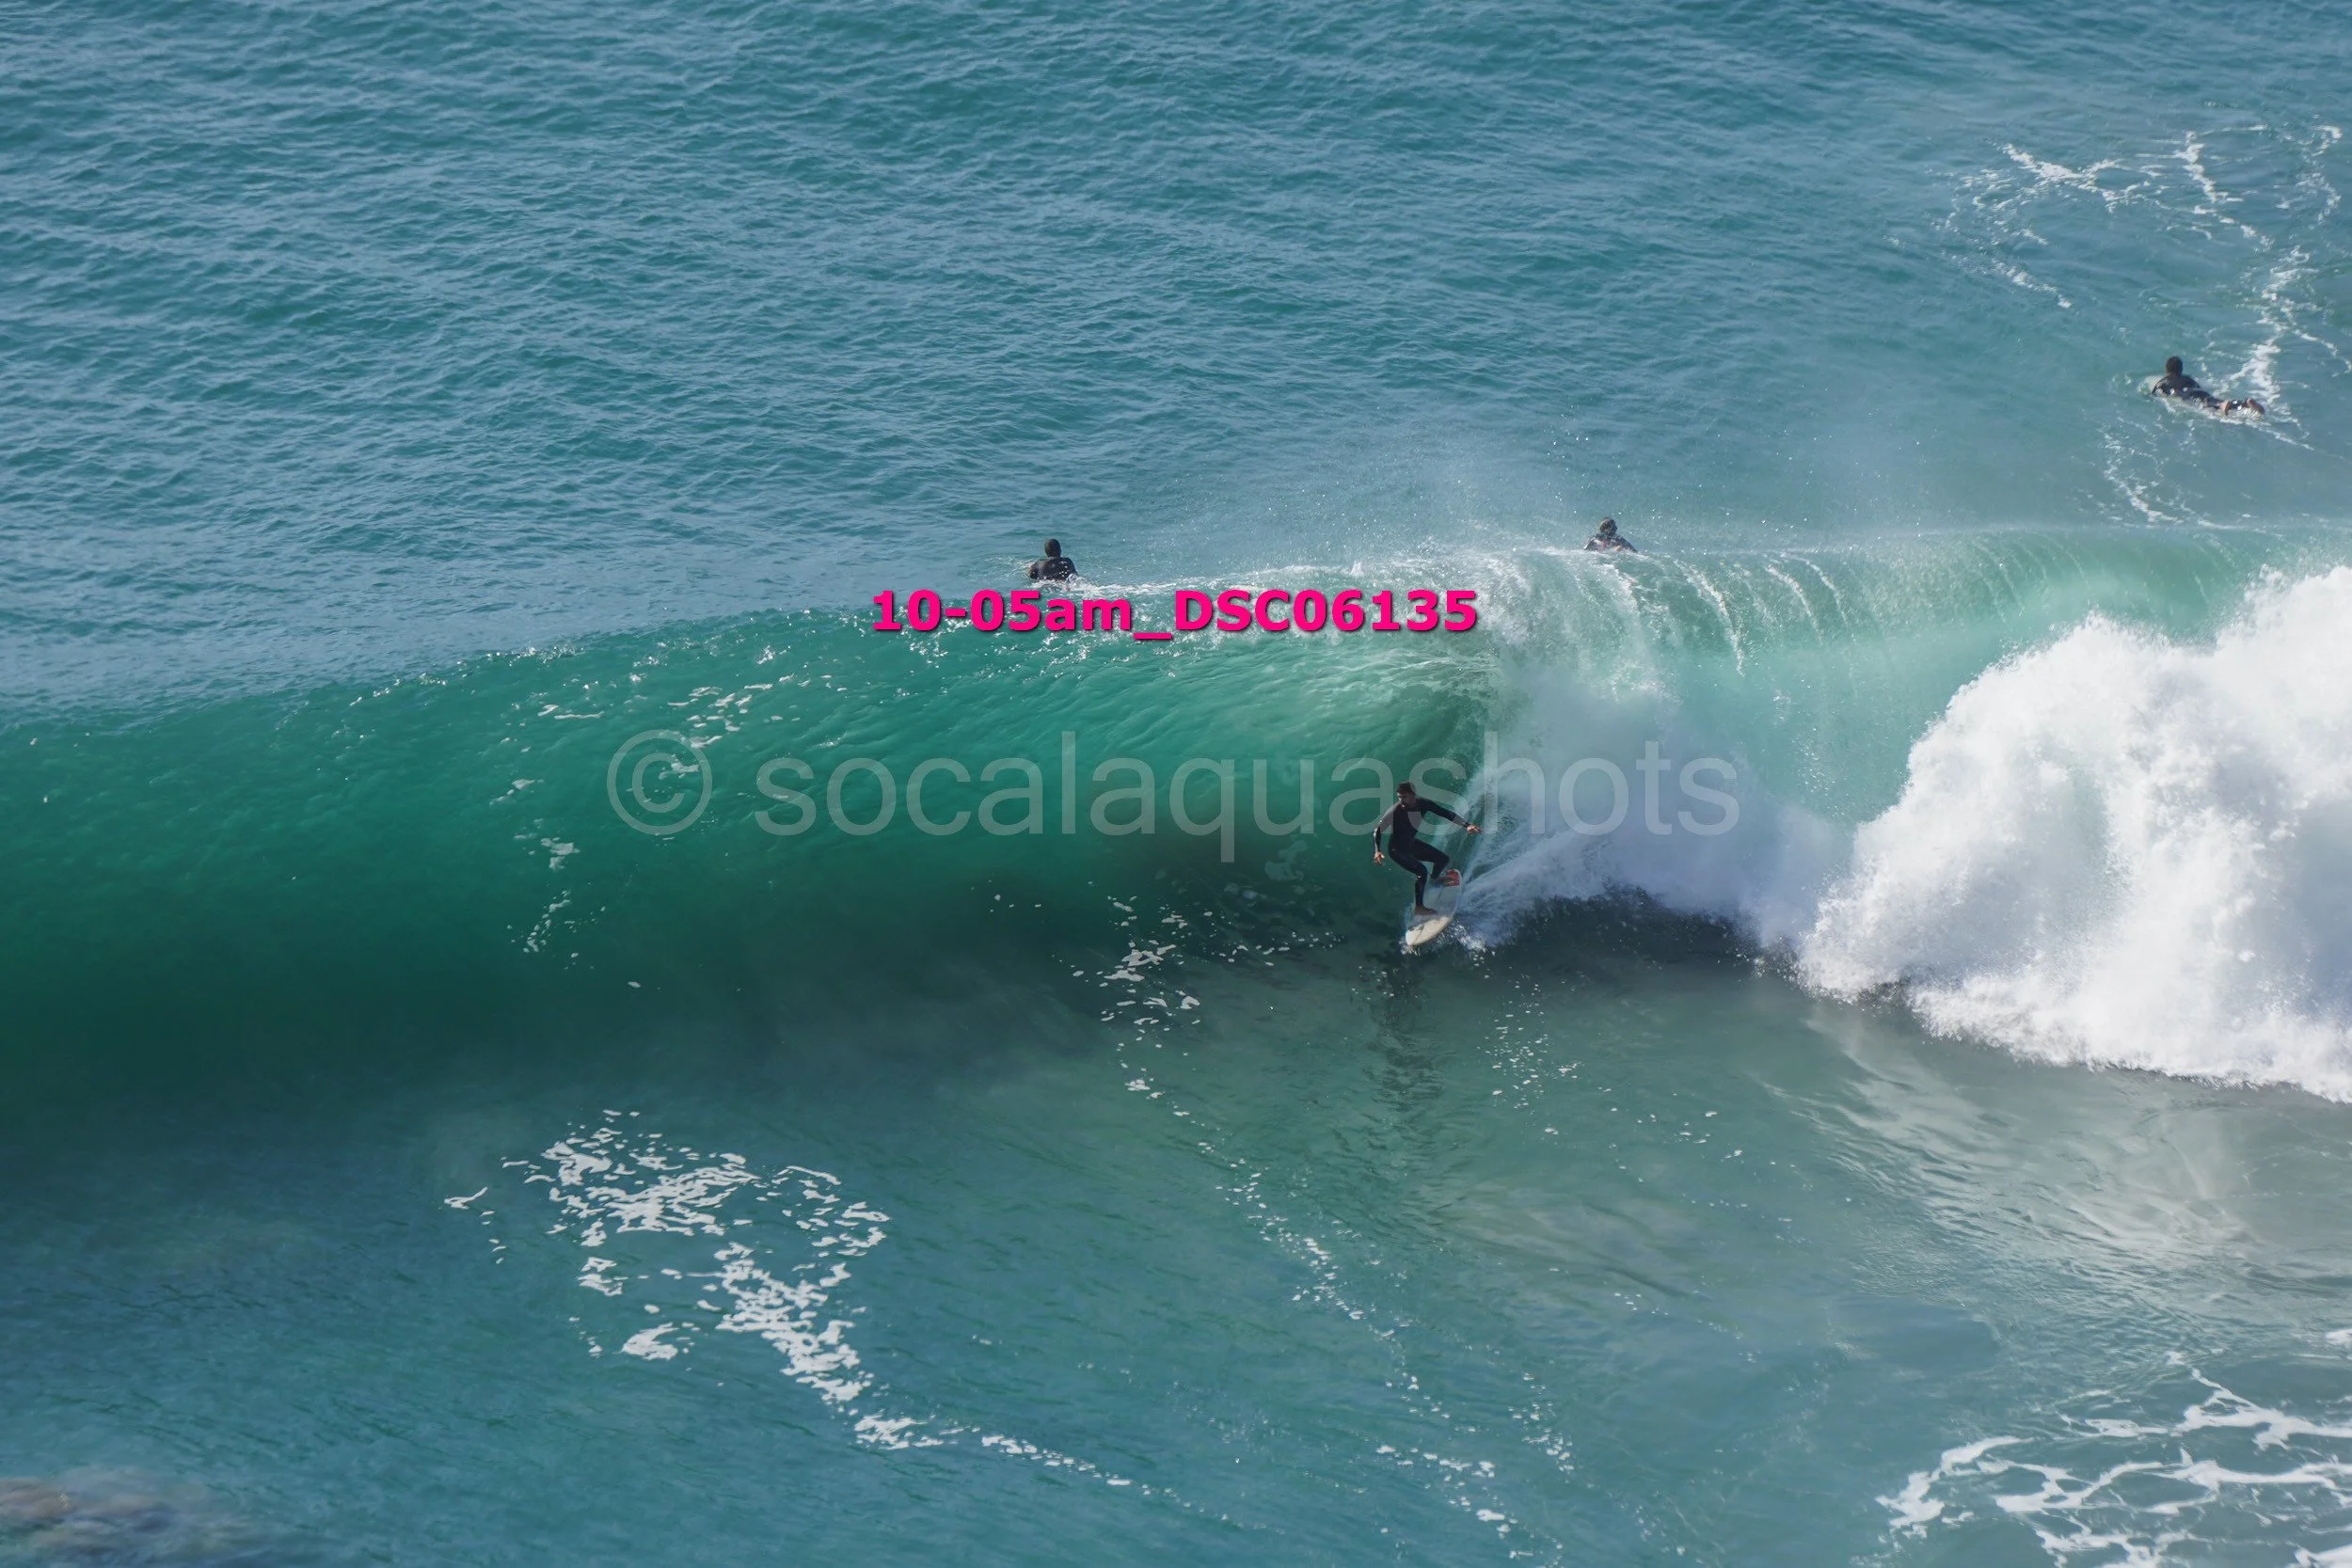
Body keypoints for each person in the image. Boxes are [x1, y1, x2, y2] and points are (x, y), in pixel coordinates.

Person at [1372, 781, 1480, 916]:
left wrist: (1467, 825)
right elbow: (1377, 830)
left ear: (1413, 795)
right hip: (1397, 850)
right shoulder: (1395, 811)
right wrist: (1377, 850)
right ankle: (1419, 908)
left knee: (1442, 859)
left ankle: (1435, 880)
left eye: (1404, 797)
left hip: (1411, 845)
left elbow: (1445, 813)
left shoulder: (1423, 804)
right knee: (1422, 872)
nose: (1401, 800)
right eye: (1399, 797)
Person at [2152, 356, 2263, 415]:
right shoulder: (2188, 378)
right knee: (2211, 400)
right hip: (2199, 392)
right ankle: (2245, 403)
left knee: (2208, 404)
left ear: (2166, 369)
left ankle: (2223, 405)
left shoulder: (2163, 382)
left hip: (2186, 394)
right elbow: (2198, 387)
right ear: (2181, 369)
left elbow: (2154, 394)